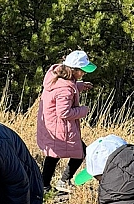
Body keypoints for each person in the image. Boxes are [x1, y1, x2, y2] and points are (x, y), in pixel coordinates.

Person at [36, 50, 96, 193]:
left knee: (53, 156)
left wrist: (80, 86)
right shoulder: (66, 89)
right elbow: (64, 112)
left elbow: (64, 89)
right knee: (81, 152)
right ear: (73, 70)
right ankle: (63, 181)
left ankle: (44, 186)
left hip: (52, 125)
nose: (84, 74)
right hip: (59, 126)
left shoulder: (56, 76)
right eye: (82, 71)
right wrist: (83, 111)